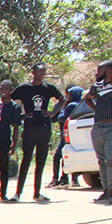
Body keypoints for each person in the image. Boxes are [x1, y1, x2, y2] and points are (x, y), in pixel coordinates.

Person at [11, 64, 64, 202]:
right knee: (26, 160)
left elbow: (62, 99)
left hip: (44, 127)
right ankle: (17, 193)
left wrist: (53, 112)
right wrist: (21, 116)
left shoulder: (48, 88)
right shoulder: (24, 88)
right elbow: (10, 101)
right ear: (33, 72)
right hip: (29, 128)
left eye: (44, 71)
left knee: (40, 161)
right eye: (40, 71)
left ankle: (37, 193)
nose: (42, 74)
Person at [0, 80, 21, 202]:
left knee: (4, 167)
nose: (3, 91)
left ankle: (3, 193)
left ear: (11, 90)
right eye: (1, 88)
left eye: (6, 89)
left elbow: (16, 127)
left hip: (4, 139)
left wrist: (14, 144)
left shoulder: (14, 107)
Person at [86, 59, 112, 204]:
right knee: (102, 160)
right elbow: (87, 98)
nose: (97, 73)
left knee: (110, 160)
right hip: (98, 127)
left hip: (110, 127)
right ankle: (105, 190)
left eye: (100, 70)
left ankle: (111, 191)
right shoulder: (98, 86)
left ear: (109, 70)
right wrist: (97, 110)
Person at [49, 86, 84, 188]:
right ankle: (74, 179)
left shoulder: (70, 105)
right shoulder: (82, 104)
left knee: (58, 157)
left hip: (66, 135)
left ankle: (58, 179)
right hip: (77, 135)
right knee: (71, 156)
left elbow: (61, 118)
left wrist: (62, 108)